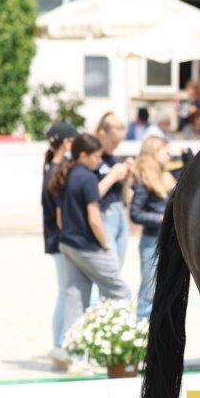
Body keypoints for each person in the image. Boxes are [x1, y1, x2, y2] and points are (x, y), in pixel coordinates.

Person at [50, 133, 132, 337]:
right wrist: (106, 245)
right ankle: (116, 340)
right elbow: (94, 218)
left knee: (76, 296)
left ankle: (72, 347)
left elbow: (59, 217)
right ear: (83, 155)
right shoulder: (87, 178)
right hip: (87, 245)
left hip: (67, 243)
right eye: (96, 156)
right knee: (120, 291)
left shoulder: (65, 174)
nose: (99, 161)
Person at [41, 120, 79, 370]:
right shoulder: (56, 170)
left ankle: (60, 343)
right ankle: (60, 344)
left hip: (54, 237)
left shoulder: (50, 166)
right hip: (60, 238)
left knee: (64, 291)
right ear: (66, 143)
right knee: (67, 292)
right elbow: (58, 213)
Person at [131, 136, 175, 320]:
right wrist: (161, 219)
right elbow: (135, 213)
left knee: (165, 287)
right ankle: (141, 324)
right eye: (165, 152)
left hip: (166, 240)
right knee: (148, 289)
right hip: (151, 241)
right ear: (154, 153)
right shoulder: (144, 180)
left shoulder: (166, 176)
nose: (169, 155)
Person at [94, 112, 134, 269]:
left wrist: (128, 177)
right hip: (104, 214)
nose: (116, 146)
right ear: (101, 134)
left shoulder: (113, 159)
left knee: (118, 267)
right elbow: (90, 195)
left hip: (120, 213)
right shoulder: (92, 159)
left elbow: (124, 196)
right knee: (109, 267)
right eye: (113, 142)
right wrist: (113, 176)